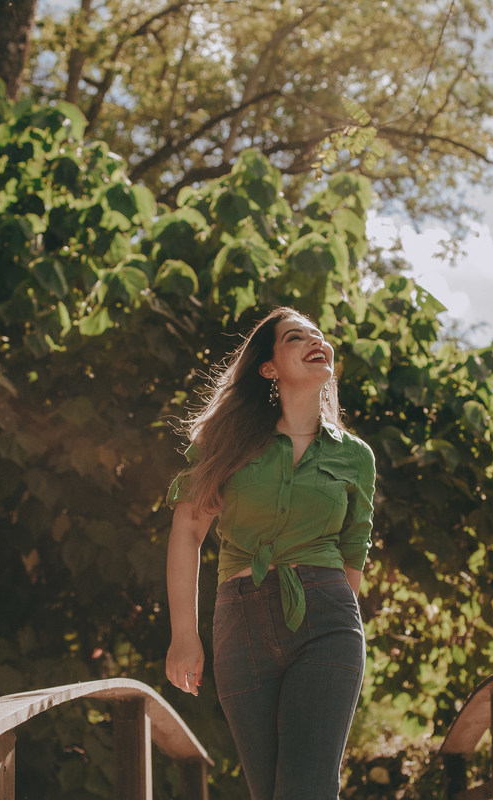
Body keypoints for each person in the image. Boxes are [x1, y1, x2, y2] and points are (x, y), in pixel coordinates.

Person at [165, 306, 376, 800]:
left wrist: (326, 608)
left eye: (318, 335)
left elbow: (354, 548)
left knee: (307, 790)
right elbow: (189, 530)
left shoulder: (354, 455)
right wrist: (183, 635)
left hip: (327, 621)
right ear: (269, 367)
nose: (314, 341)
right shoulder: (227, 442)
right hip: (241, 624)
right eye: (295, 337)